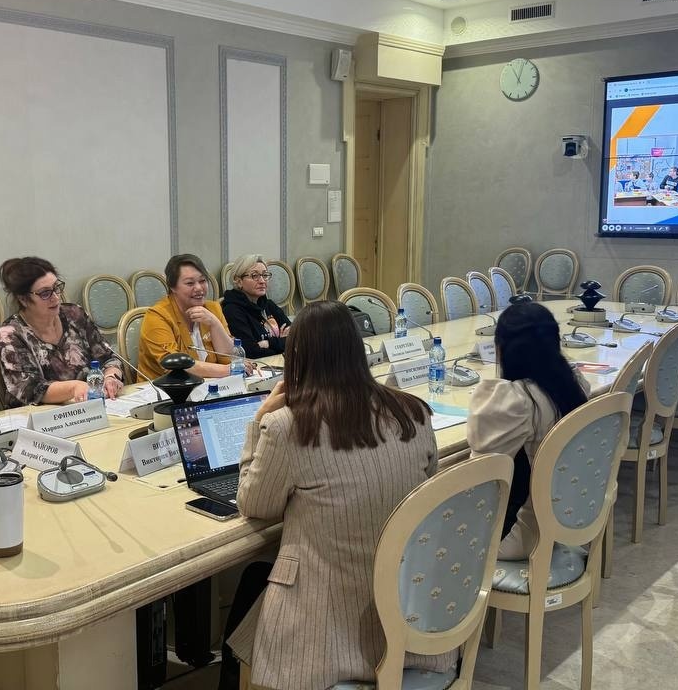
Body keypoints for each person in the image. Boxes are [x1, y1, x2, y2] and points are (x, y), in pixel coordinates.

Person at [221, 300, 454, 689]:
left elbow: (254, 504)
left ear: (296, 359)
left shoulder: (288, 425)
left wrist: (258, 421)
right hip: (408, 607)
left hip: (328, 626)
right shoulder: (412, 412)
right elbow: (425, 492)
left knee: (254, 587)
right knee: (255, 582)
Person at [466, 301, 588, 561]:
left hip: (521, 535)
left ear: (502, 350)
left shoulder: (517, 401)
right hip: (570, 515)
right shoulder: (573, 384)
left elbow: (478, 472)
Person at [0, 256, 124, 406]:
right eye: (45, 293)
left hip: (92, 406)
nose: (56, 297)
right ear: (23, 299)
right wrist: (74, 388)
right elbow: (29, 389)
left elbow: (109, 358)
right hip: (42, 415)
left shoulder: (74, 314)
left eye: (56, 287)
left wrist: (110, 377)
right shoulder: (11, 333)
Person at [140, 253, 247, 379]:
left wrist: (214, 323)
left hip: (211, 385)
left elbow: (230, 357)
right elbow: (175, 365)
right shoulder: (157, 316)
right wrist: (227, 370)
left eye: (202, 281)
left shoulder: (213, 309)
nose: (199, 288)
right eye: (190, 283)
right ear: (172, 287)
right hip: (164, 388)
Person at [220, 254, 292, 359]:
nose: (262, 281)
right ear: (239, 281)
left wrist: (268, 343)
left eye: (265, 275)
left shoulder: (268, 304)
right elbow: (251, 352)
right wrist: (283, 343)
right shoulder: (232, 311)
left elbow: (296, 338)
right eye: (255, 276)